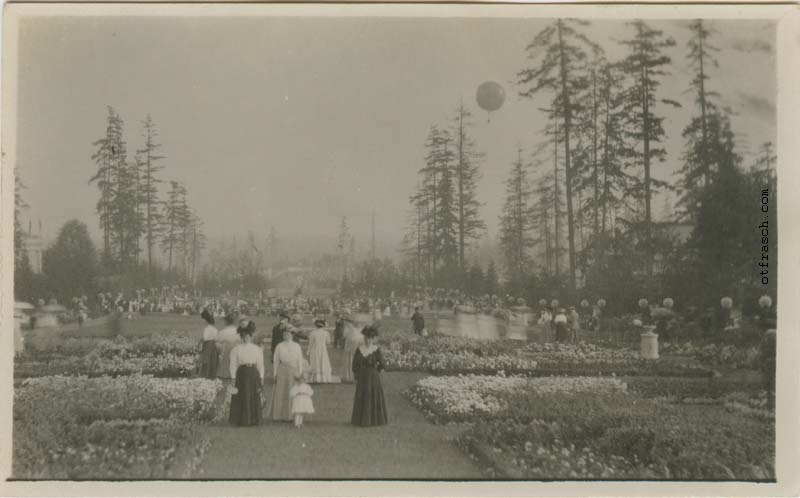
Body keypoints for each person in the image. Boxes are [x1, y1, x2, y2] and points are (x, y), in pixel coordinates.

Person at [228, 319, 264, 427]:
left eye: (248, 336)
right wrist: (233, 377)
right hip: (241, 374)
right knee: (242, 396)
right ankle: (242, 420)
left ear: (251, 336)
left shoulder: (257, 349)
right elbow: (233, 364)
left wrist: (261, 377)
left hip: (253, 373)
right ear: (241, 337)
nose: (245, 338)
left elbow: (261, 364)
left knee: (253, 395)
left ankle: (254, 419)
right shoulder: (236, 349)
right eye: (243, 336)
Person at [351, 325, 388, 427]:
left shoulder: (376, 349)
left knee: (373, 395)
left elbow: (382, 364)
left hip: (373, 377)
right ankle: (361, 420)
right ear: (364, 338)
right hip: (362, 377)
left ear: (373, 339)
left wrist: (378, 370)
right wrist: (357, 375)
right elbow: (355, 365)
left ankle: (374, 420)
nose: (368, 340)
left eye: (370, 338)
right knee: (363, 396)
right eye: (366, 338)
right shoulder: (359, 349)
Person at [269, 327, 303, 422]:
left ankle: (290, 416)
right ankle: (278, 415)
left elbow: (300, 360)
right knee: (280, 392)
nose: (286, 336)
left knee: (291, 391)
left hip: (293, 370)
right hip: (282, 370)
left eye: (288, 334)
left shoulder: (297, 346)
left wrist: (299, 373)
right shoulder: (279, 346)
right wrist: (275, 374)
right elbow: (276, 361)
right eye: (284, 334)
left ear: (292, 335)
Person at [216, 314, 241, 383]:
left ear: (226, 322)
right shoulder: (239, 331)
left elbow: (217, 344)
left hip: (226, 356)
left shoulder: (222, 332)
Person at [307, 319, 333, 383]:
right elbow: (328, 342)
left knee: (315, 362)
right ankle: (323, 378)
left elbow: (310, 344)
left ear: (316, 325)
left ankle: (316, 379)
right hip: (323, 350)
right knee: (323, 361)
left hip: (315, 349)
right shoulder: (326, 333)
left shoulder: (312, 333)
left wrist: (308, 352)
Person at [198, 309, 219, 379]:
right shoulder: (215, 329)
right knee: (212, 360)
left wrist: (200, 342)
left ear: (206, 321)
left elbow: (205, 338)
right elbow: (216, 338)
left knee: (205, 360)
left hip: (208, 345)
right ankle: (211, 375)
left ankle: (204, 375)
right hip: (213, 345)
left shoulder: (206, 329)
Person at [342, 319, 364, 383]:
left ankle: (353, 376)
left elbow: (345, 336)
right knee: (350, 362)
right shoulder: (352, 330)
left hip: (354, 350)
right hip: (352, 349)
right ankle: (350, 376)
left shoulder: (355, 330)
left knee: (352, 362)